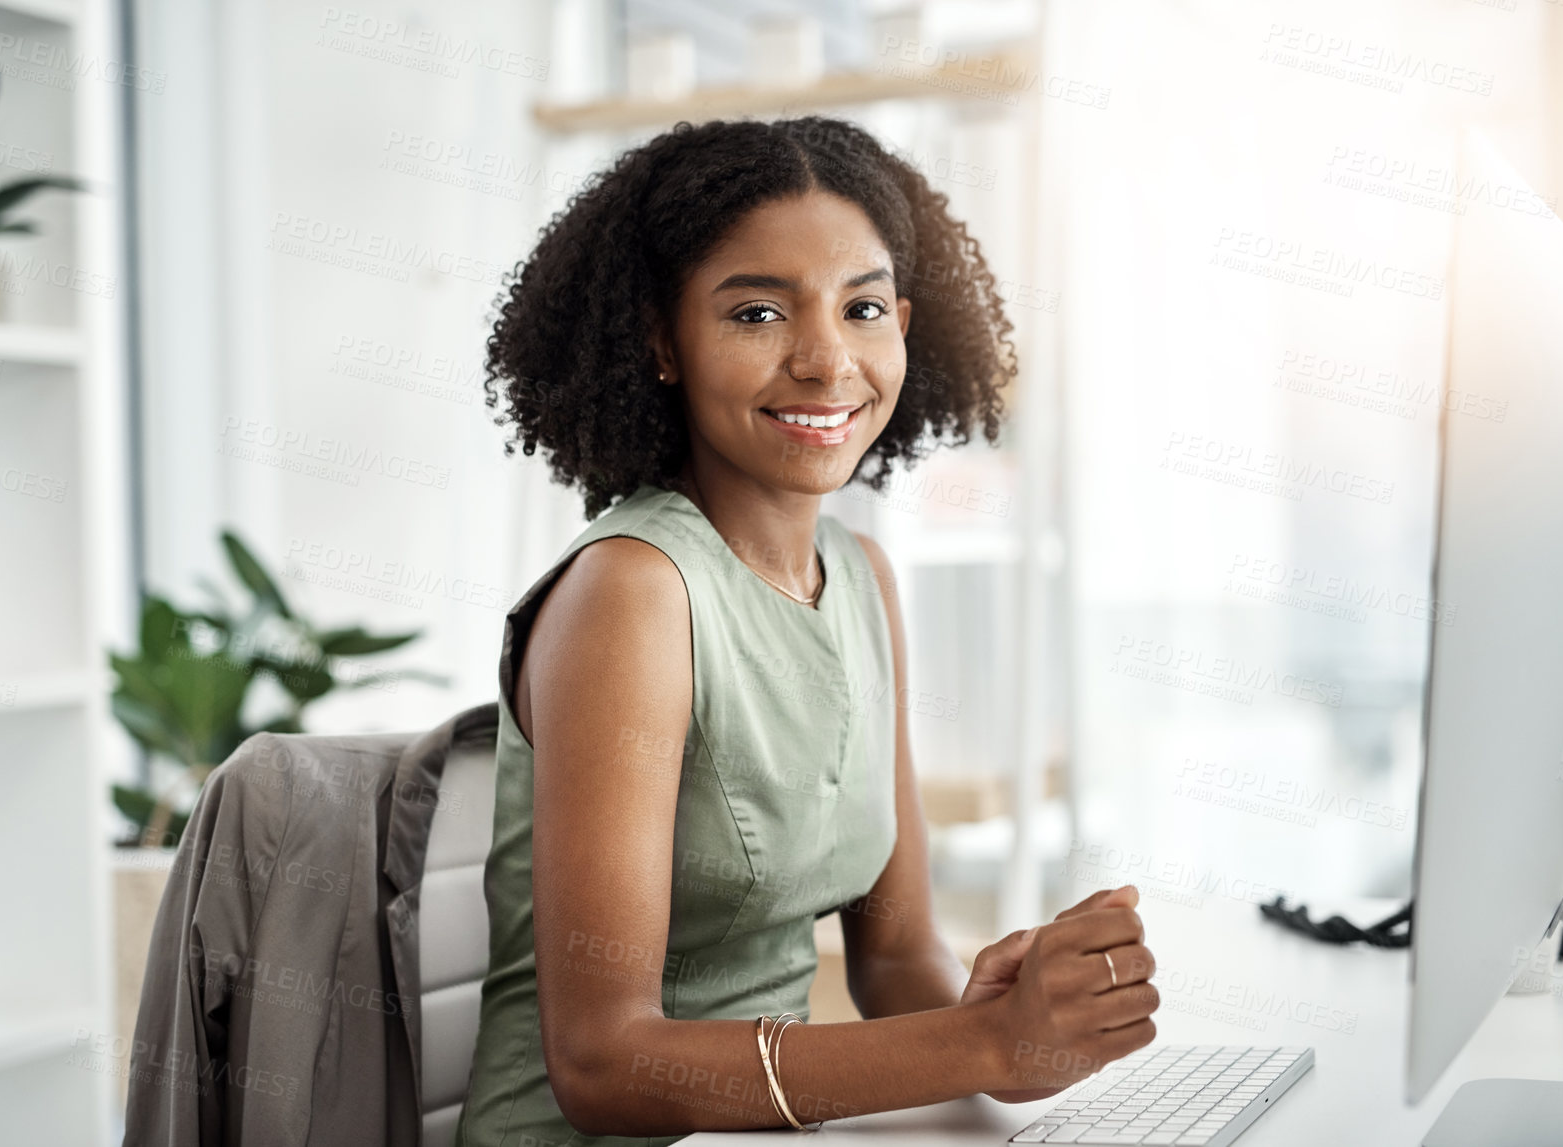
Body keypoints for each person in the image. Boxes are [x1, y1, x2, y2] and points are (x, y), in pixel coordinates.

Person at [456, 115, 1158, 1147]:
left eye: (862, 307)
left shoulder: (862, 581)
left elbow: (896, 961)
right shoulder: (632, 593)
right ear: (660, 339)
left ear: (904, 326)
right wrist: (980, 1048)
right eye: (756, 314)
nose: (826, 361)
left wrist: (1011, 1014)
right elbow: (601, 1064)